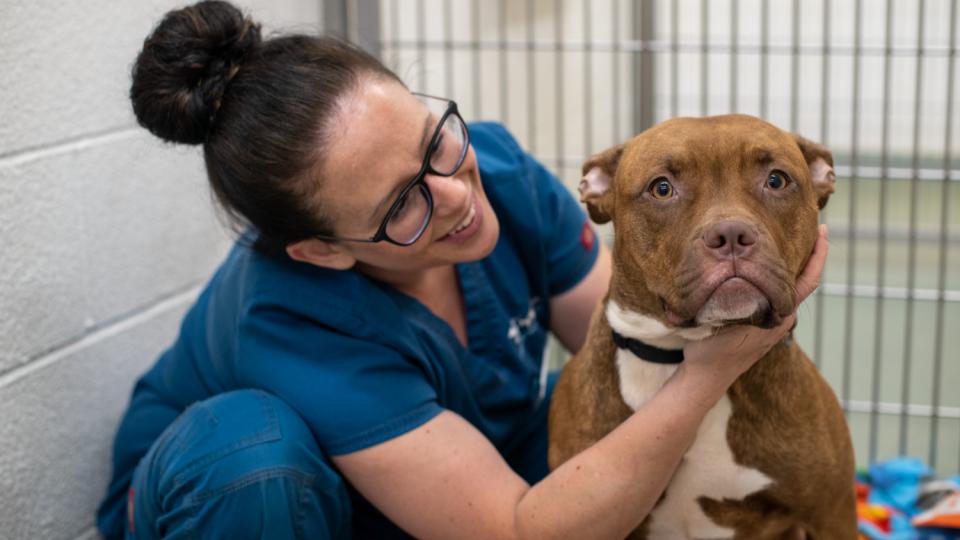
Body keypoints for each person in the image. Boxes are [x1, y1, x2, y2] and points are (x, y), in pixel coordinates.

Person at [96, 1, 829, 539]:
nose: (456, 195)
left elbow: (623, 339)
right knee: (253, 455)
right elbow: (513, 529)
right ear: (325, 250)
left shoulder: (497, 171)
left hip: (448, 478)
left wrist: (729, 288)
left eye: (433, 141)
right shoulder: (288, 320)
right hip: (233, 504)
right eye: (402, 203)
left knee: (583, 406)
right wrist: (710, 373)